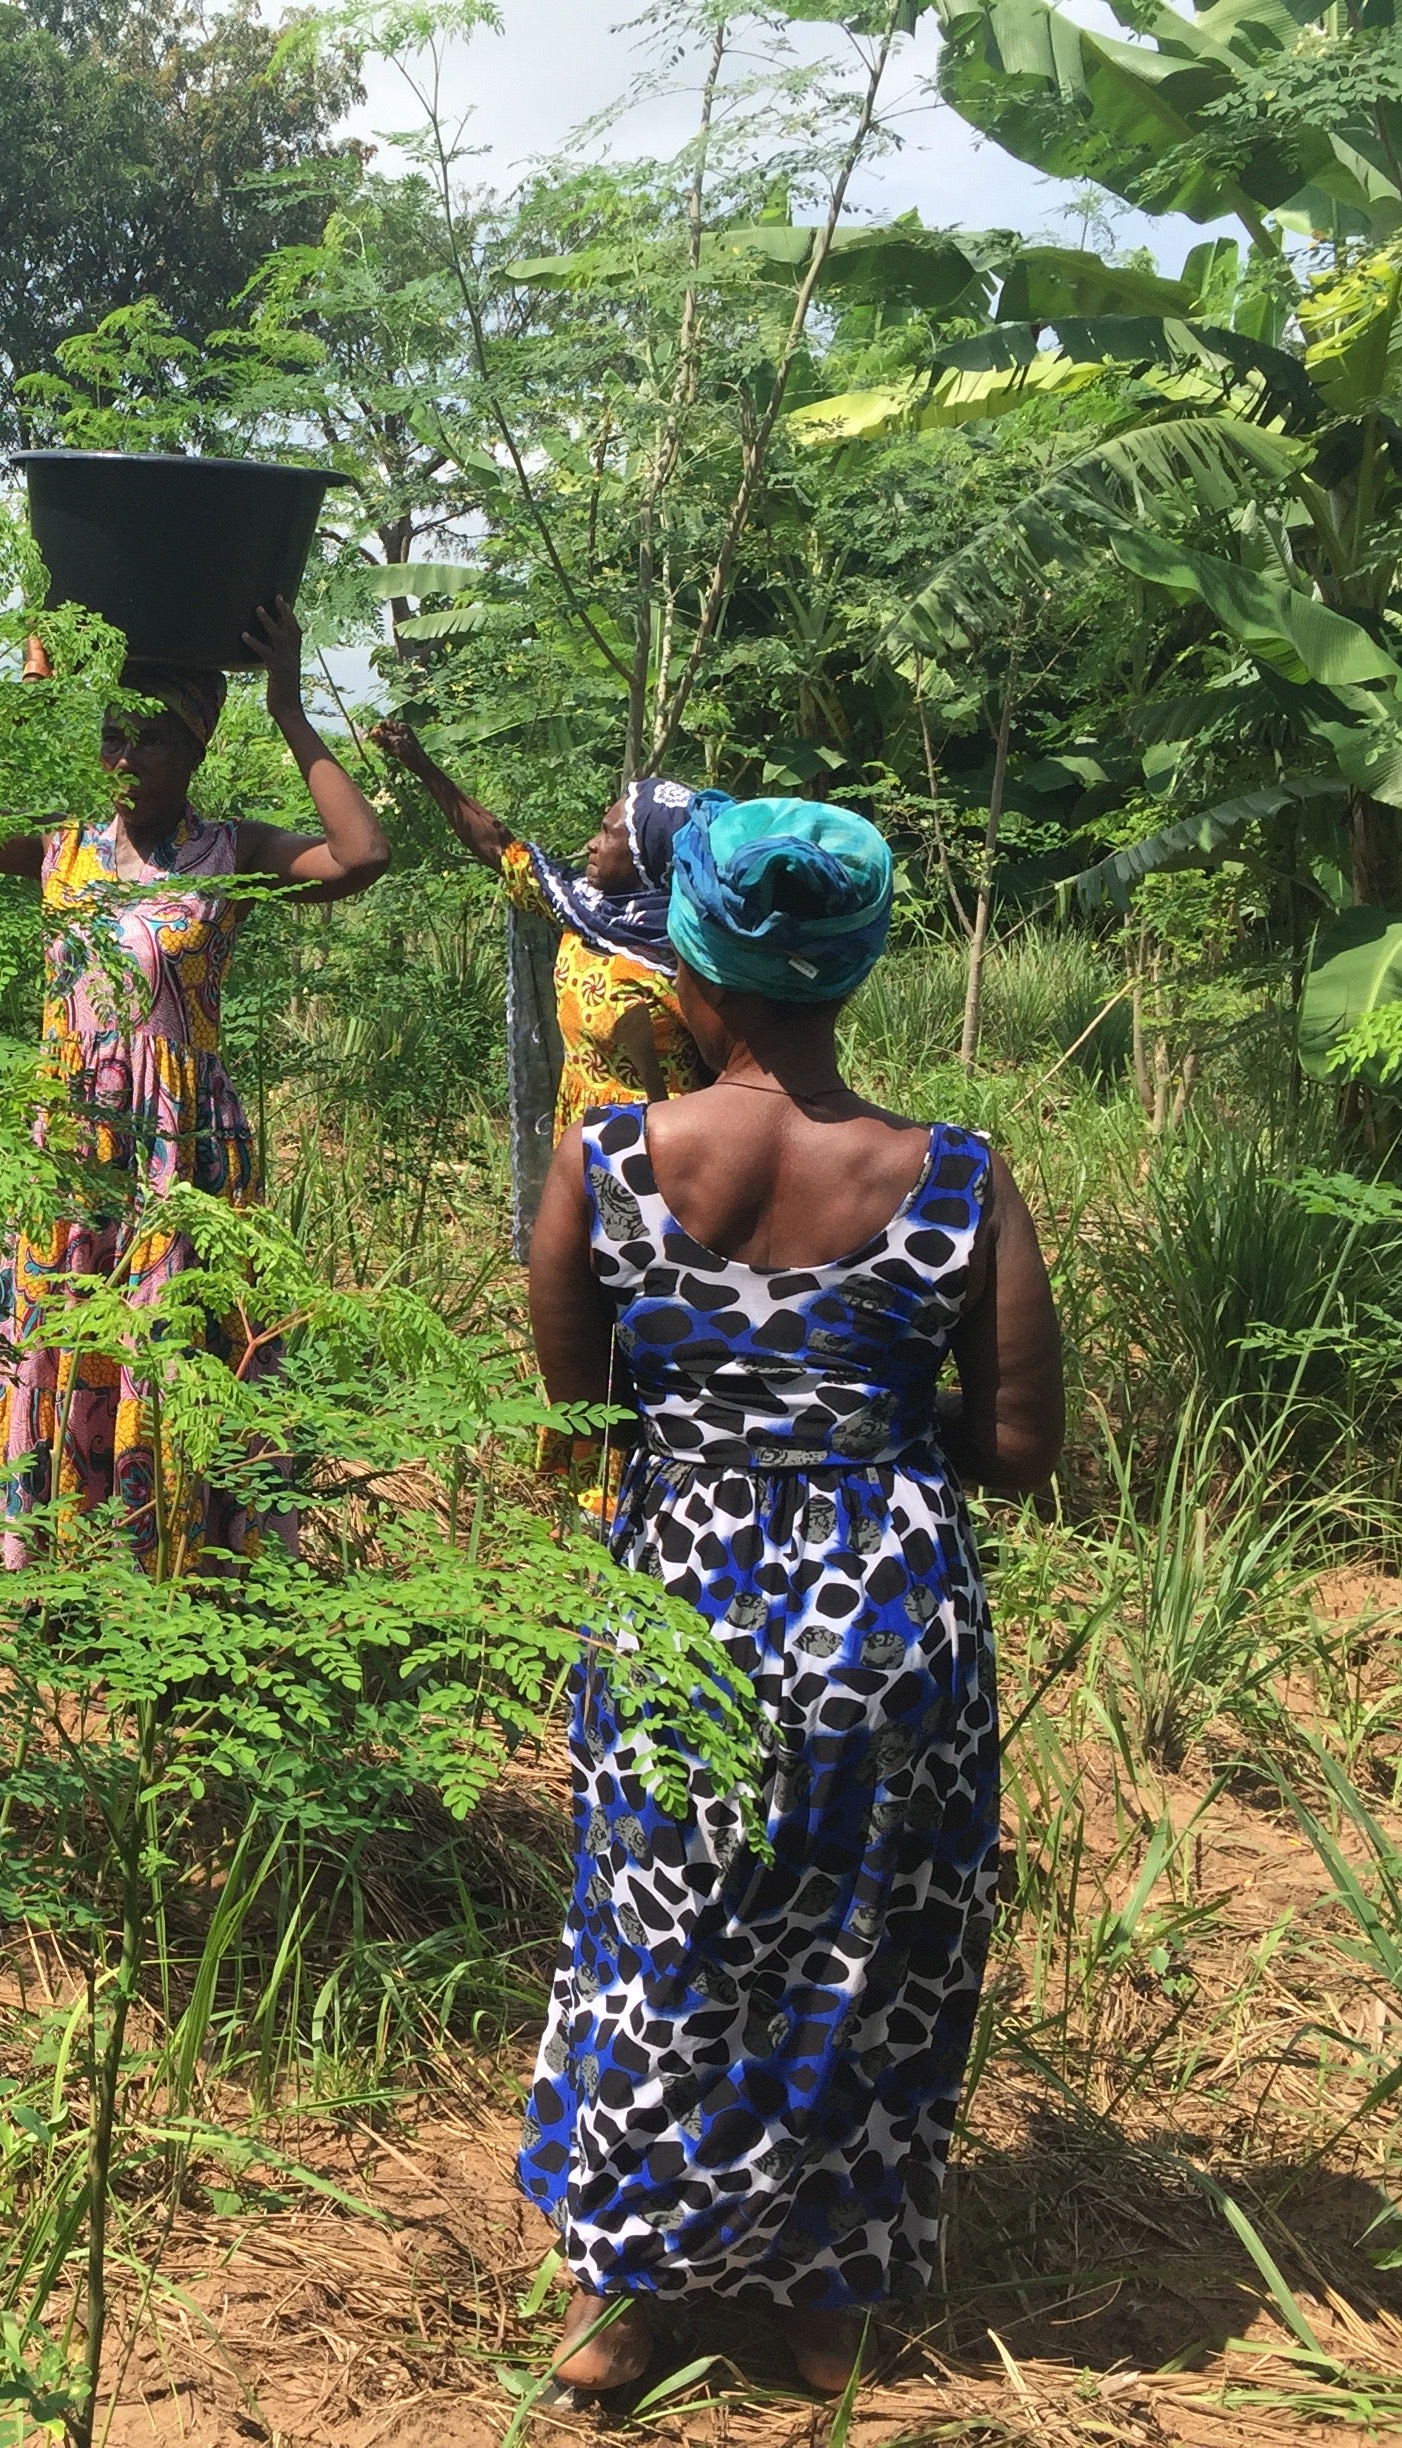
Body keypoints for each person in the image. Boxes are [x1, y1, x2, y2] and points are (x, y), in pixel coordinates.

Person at [513, 797, 1064, 2399]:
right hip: (886, 1611)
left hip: (682, 1599)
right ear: (854, 972)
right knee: (862, 1943)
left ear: (696, 974)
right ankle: (827, 2314)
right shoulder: (956, 1178)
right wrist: (867, 1435)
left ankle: (619, 2311)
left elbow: (576, 1425)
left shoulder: (606, 1160)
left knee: (655, 1934)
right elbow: (1019, 1447)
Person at [0, 599, 389, 1573]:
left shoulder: (231, 853)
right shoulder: (58, 847)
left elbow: (364, 855)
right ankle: (59, 1570)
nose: (123, 759)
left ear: (197, 746)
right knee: (63, 1340)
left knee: (177, 1355)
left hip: (183, 1150)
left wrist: (288, 704)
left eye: (151, 742)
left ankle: (183, 1567)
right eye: (112, 736)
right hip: (74, 1151)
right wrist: (32, 694)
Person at [370, 724, 712, 1137]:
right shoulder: (581, 907)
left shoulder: (693, 950)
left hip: (657, 1150)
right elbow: (499, 848)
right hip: (580, 1136)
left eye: (608, 834)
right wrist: (421, 764)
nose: (591, 843)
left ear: (648, 854)